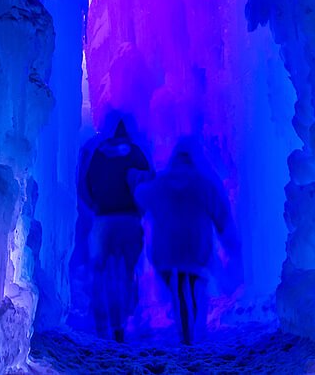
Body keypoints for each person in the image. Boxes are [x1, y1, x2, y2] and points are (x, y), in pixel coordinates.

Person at [135, 137, 238, 345]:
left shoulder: (161, 183)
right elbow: (219, 212)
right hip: (196, 245)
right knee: (191, 284)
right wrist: (228, 239)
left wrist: (140, 181)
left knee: (177, 287)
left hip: (166, 247)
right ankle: (192, 326)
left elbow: (141, 197)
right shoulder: (203, 184)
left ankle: (186, 330)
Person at [78, 118, 153, 341]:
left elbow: (85, 184)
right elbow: (149, 181)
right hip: (130, 219)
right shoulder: (136, 152)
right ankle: (126, 320)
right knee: (128, 271)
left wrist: (95, 206)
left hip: (103, 220)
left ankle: (102, 322)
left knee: (100, 271)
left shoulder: (99, 153)